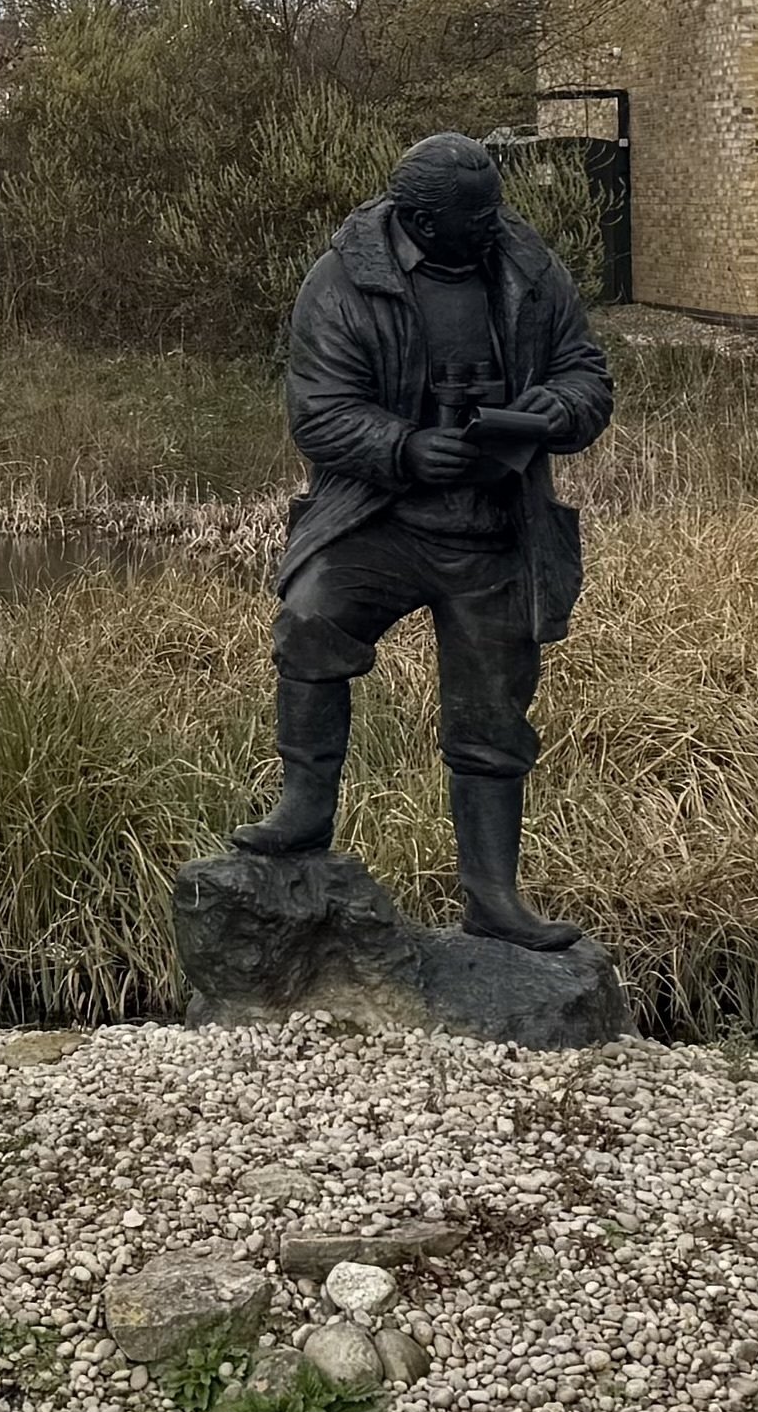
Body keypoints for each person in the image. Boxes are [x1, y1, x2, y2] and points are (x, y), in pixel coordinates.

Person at [231, 131, 614, 948]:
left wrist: (557, 407)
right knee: (311, 617)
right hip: (378, 521)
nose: (490, 226)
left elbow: (588, 373)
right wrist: (403, 447)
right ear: (419, 219)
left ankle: (493, 896)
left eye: (492, 211)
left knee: (492, 710)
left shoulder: (529, 270)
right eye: (471, 219)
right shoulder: (341, 281)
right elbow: (321, 412)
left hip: (494, 528)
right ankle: (303, 813)